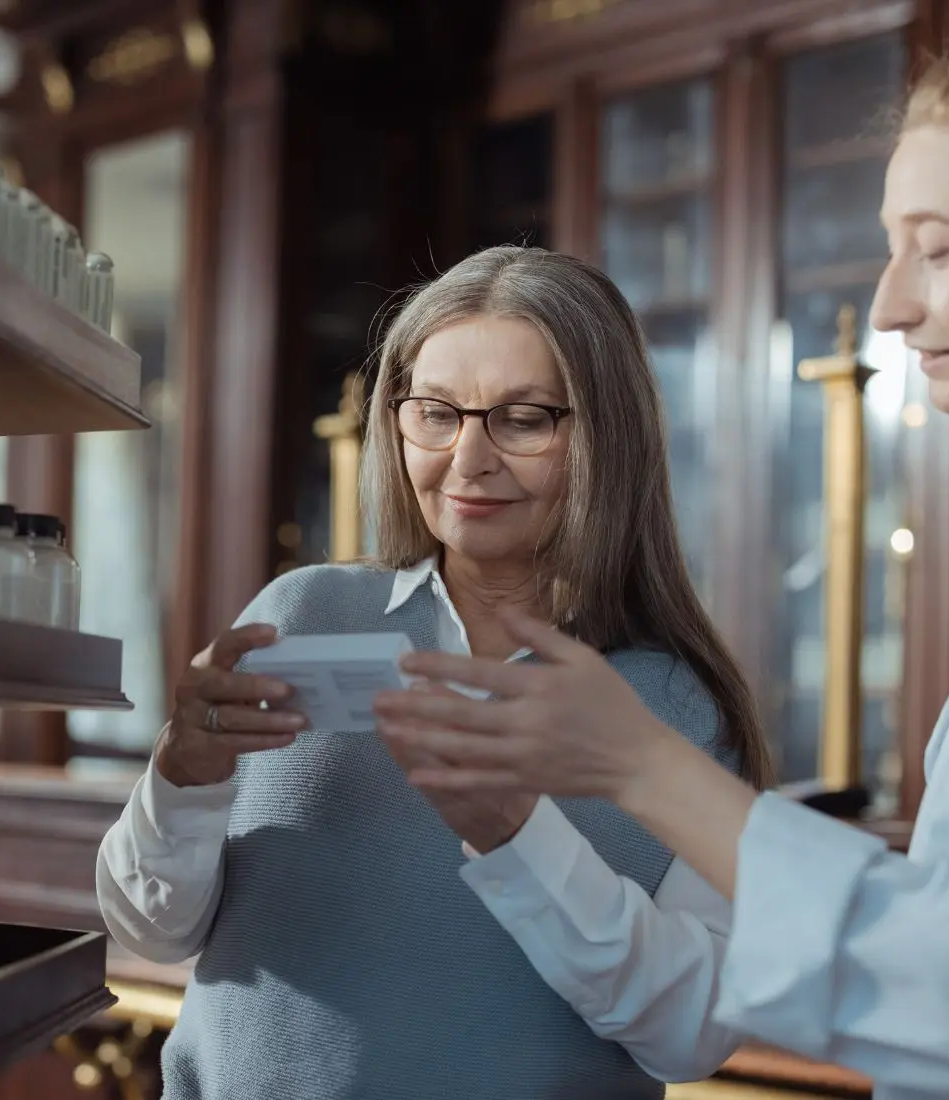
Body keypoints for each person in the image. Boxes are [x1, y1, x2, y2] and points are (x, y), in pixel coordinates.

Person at [373, 28, 949, 1100]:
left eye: (937, 246)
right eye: (889, 246)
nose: (887, 304)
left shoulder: (675, 699)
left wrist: (641, 764)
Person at [97, 245, 774, 1100]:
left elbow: (692, 1038)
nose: (467, 460)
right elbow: (150, 932)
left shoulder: (676, 708)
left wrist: (521, 841)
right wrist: (180, 778)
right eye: (436, 412)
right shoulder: (300, 615)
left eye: (523, 419)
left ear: (611, 435)